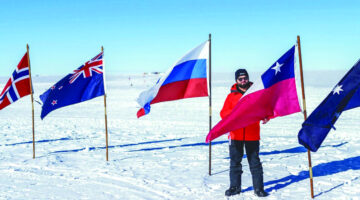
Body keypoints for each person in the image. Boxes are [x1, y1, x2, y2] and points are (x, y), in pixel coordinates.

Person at [222, 69, 269, 197]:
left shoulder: (256, 93)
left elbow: (264, 108)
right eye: (240, 79)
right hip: (235, 135)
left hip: (252, 134)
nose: (243, 81)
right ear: (236, 81)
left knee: (255, 162)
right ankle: (234, 187)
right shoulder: (231, 97)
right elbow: (223, 114)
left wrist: (266, 117)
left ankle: (259, 188)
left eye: (245, 78)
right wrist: (235, 116)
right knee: (235, 162)